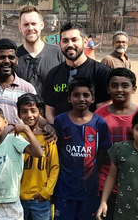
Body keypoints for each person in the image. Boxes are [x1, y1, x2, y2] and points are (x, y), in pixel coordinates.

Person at [53, 78, 111, 220]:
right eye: (76, 95)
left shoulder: (99, 123)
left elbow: (103, 153)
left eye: (86, 95)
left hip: (89, 189)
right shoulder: (60, 121)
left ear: (93, 99)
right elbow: (56, 151)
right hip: (64, 189)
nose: (81, 99)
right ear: (69, 98)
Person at [95, 68, 138, 220]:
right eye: (114, 85)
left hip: (133, 183)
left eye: (125, 85)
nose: (119, 89)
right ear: (108, 89)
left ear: (133, 89)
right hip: (105, 183)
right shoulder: (99, 115)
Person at [43, 22, 111, 124]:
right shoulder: (53, 74)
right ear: (60, 44)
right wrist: (59, 129)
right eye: (65, 41)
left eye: (74, 40)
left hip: (90, 135)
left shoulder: (101, 72)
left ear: (85, 42)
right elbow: (49, 112)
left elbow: (103, 112)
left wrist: (84, 131)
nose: (70, 44)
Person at [17, 93, 59, 220]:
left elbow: (54, 167)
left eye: (33, 111)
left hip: (40, 198)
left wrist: (46, 193)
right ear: (19, 115)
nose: (29, 115)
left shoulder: (48, 137)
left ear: (40, 112)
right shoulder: (16, 138)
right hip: (18, 198)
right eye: (24, 111)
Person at [16, 6, 64, 95]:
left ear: (42, 25)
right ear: (20, 28)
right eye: (26, 24)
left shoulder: (58, 53)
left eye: (34, 23)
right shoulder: (14, 56)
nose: (30, 28)